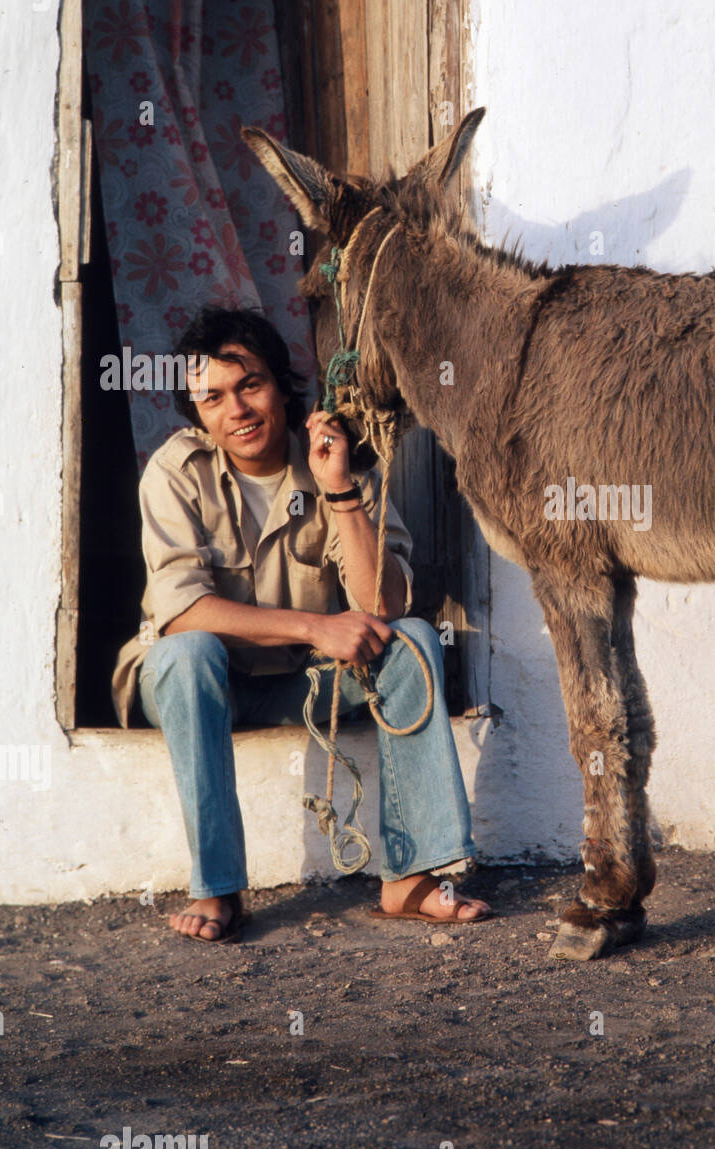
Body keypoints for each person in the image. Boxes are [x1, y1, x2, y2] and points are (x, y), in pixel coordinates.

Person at [111, 307, 492, 941]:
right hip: (203, 685)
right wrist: (316, 629)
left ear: (281, 387)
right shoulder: (177, 472)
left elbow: (385, 604)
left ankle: (412, 877)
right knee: (187, 652)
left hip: (302, 686)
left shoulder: (336, 463)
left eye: (250, 385)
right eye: (213, 397)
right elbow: (182, 611)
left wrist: (339, 490)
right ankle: (219, 888)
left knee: (416, 643)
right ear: (198, 414)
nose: (237, 409)